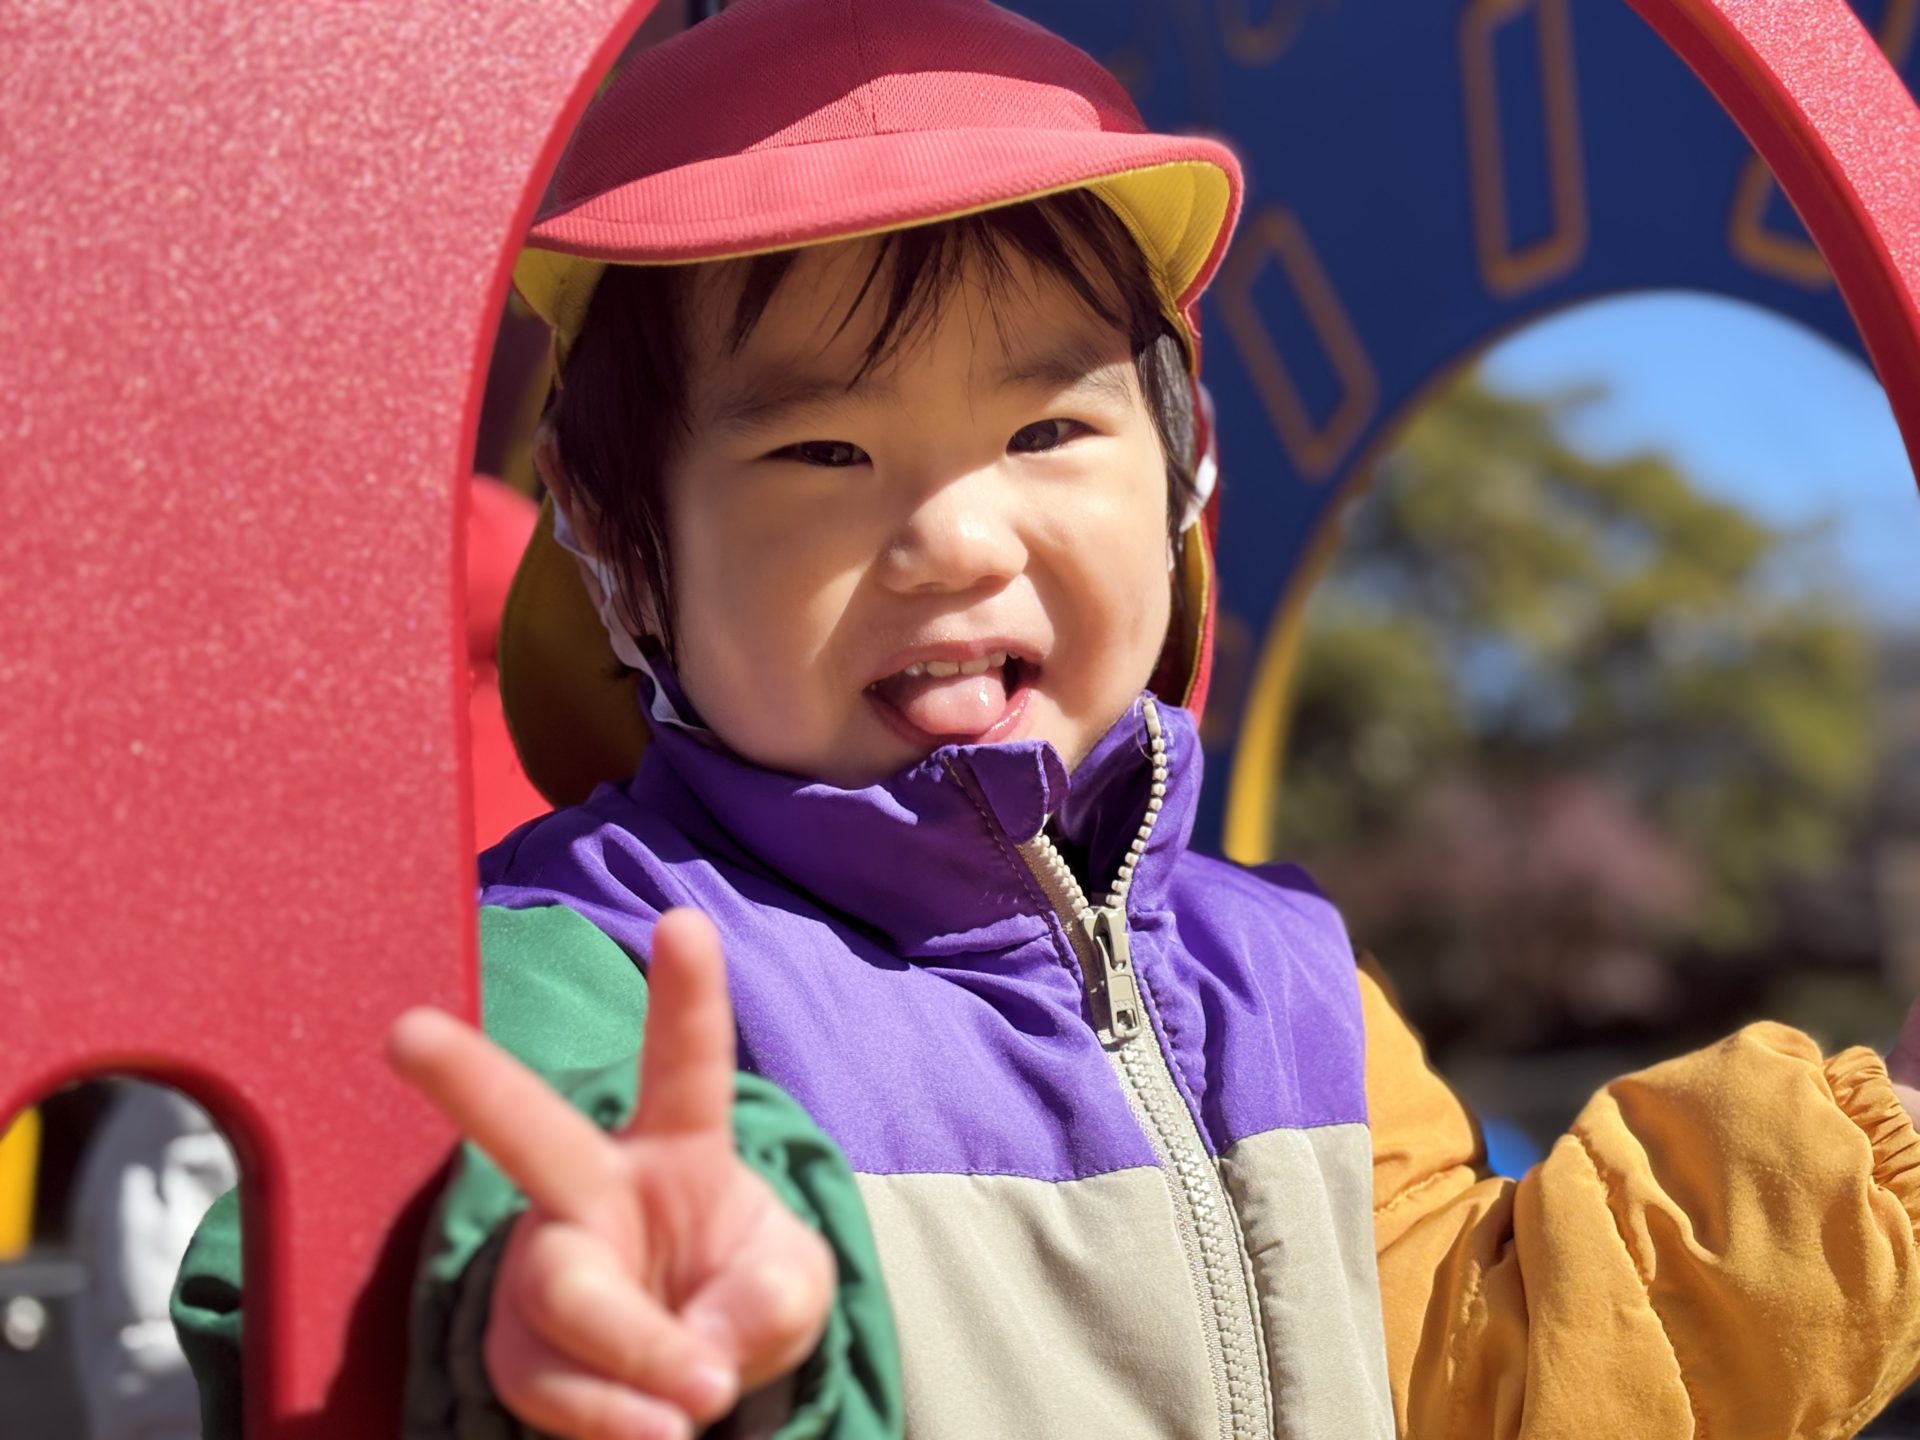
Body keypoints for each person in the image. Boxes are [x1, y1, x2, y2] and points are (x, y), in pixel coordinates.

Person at [173, 0, 1920, 1436]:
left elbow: (1488, 1373)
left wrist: (1868, 1172)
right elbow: (385, 1235)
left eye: (1048, 433)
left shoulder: (1288, 981)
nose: (957, 538)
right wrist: (587, 1315)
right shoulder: (582, 963)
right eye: (822, 453)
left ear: (1183, 473)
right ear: (624, 545)